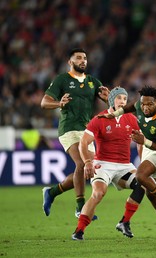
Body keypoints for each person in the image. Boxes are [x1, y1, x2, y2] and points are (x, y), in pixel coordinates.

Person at [101, 85, 156, 240]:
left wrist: (145, 141)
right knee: (151, 193)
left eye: (149, 104)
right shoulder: (139, 105)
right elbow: (130, 106)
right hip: (149, 147)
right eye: (143, 104)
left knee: (140, 176)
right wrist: (114, 114)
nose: (145, 107)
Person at [41, 48, 109, 218]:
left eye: (85, 58)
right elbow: (44, 102)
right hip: (68, 128)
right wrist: (59, 103)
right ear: (70, 62)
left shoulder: (92, 81)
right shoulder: (62, 79)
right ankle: (80, 207)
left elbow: (110, 100)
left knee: (89, 168)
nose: (83, 61)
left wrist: (110, 98)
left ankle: (52, 192)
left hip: (86, 130)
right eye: (78, 58)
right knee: (82, 164)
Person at [72, 87, 145, 240]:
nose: (123, 102)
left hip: (124, 166)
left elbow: (141, 142)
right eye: (119, 98)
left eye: (125, 99)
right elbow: (83, 143)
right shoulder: (100, 119)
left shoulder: (131, 119)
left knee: (142, 185)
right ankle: (79, 230)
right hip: (103, 164)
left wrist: (143, 161)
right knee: (98, 193)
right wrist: (87, 162)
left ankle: (124, 222)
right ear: (112, 100)